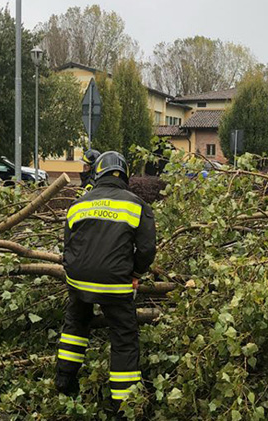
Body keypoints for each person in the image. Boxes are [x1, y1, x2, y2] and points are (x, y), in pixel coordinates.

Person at [55, 151, 156, 412]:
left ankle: (64, 380)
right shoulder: (137, 205)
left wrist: (74, 272)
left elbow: (67, 244)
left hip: (77, 281)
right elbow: (146, 250)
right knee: (123, 336)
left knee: (76, 323)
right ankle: (120, 404)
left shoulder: (79, 203)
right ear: (125, 175)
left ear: (97, 174)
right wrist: (135, 274)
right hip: (114, 283)